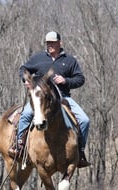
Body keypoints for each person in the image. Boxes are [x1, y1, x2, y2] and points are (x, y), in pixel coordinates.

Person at [9, 31, 91, 168]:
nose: (50, 45)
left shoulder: (70, 61)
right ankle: (19, 146)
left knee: (84, 120)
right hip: (41, 99)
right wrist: (26, 80)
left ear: (60, 43)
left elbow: (80, 79)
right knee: (26, 115)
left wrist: (66, 80)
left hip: (63, 98)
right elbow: (24, 68)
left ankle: (80, 152)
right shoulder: (39, 58)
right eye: (48, 43)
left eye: (53, 42)